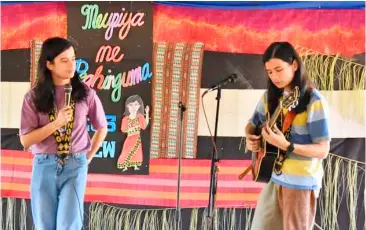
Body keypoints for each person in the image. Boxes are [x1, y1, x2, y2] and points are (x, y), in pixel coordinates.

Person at [19, 37, 108, 230]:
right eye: (64, 60)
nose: (72, 65)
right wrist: (56, 123)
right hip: (44, 163)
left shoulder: (86, 93)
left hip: (75, 164)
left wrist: (87, 157)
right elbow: (26, 140)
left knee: (69, 225)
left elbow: (102, 127)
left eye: (74, 59)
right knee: (44, 225)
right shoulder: (33, 97)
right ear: (49, 64)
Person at [246, 41, 331, 230]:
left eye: (279, 69)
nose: (274, 76)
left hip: (300, 183)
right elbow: (252, 124)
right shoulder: (269, 97)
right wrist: (250, 137)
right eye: (269, 72)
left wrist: (287, 146)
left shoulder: (314, 101)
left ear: (294, 65)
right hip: (273, 177)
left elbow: (323, 150)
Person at [117, 95, 149, 171]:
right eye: (131, 105)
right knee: (126, 151)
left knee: (137, 152)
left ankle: (135, 166)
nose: (133, 107)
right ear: (127, 106)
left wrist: (147, 113)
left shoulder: (140, 117)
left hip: (137, 138)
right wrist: (132, 127)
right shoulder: (125, 119)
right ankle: (125, 166)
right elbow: (123, 130)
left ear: (139, 106)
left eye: (136, 104)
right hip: (129, 138)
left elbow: (144, 126)